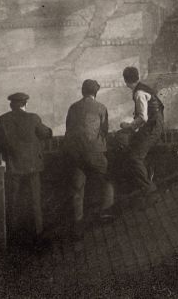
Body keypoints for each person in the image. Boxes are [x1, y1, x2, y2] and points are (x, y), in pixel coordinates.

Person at [0, 92, 53, 246]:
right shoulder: (33, 118)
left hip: (13, 166)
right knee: (35, 200)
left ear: (11, 105)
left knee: (13, 201)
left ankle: (13, 235)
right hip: (33, 166)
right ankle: (38, 233)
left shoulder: (2, 120)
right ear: (25, 104)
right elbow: (47, 133)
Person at [64, 79, 115, 239]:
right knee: (108, 178)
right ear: (96, 92)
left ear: (82, 91)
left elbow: (68, 129)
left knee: (77, 186)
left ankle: (78, 222)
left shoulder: (73, 107)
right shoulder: (101, 108)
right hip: (95, 152)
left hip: (76, 153)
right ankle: (105, 211)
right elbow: (104, 131)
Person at [120, 66, 164, 200]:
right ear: (137, 77)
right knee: (136, 148)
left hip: (153, 127)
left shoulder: (139, 93)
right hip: (155, 125)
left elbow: (143, 117)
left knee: (135, 158)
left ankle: (150, 191)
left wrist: (129, 126)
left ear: (126, 81)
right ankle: (147, 184)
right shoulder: (144, 88)